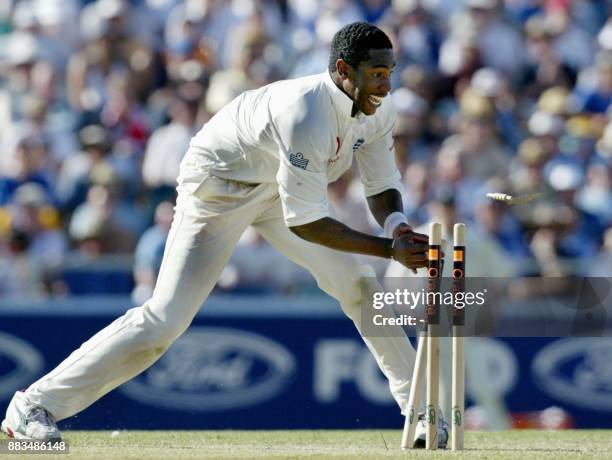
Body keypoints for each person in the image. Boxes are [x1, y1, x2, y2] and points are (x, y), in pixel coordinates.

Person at [1, 22, 437, 446]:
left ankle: (420, 414)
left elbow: (381, 187)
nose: (385, 84)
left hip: (272, 187)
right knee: (164, 322)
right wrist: (388, 250)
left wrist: (399, 229)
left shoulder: (379, 110)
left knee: (359, 284)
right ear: (343, 70)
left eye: (389, 73)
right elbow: (305, 221)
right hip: (218, 186)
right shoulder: (306, 113)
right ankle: (32, 407)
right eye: (376, 74)